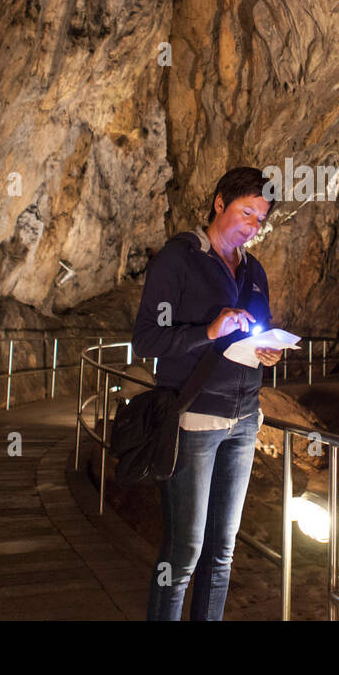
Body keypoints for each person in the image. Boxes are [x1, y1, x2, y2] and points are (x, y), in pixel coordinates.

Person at [132, 167, 284, 621]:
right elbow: (146, 340)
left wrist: (269, 350)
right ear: (219, 203)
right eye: (246, 212)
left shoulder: (254, 271)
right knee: (184, 552)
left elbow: (263, 328)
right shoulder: (179, 260)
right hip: (194, 418)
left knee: (222, 553)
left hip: (243, 419)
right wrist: (208, 330)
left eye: (261, 219)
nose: (253, 227)